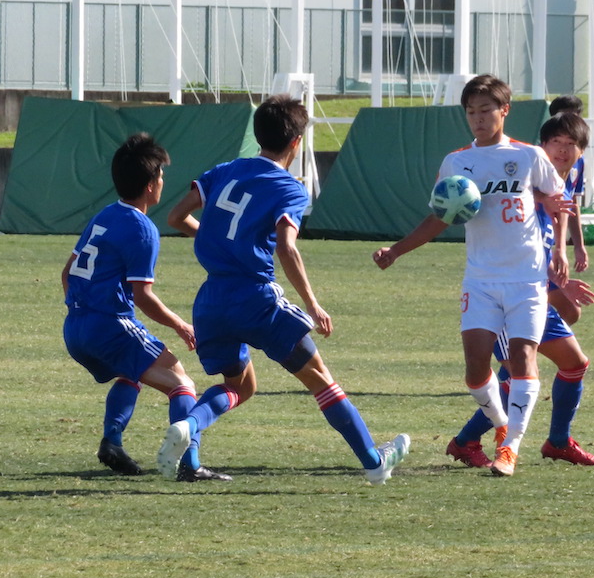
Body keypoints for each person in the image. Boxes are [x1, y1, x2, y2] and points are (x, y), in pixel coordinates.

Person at [162, 94, 410, 485]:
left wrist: (221, 240)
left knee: (239, 385)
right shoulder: (290, 189)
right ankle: (373, 462)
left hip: (211, 302)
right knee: (319, 377)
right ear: (296, 142)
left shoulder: (226, 169)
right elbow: (287, 247)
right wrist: (313, 303)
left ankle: (189, 426)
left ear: (258, 135)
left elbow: (177, 216)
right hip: (255, 298)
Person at [373, 74, 569, 477]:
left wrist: (560, 252)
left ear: (504, 110)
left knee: (522, 358)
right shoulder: (457, 162)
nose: (478, 118)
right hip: (480, 279)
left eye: (485, 110)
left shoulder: (530, 156)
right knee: (476, 369)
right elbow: (439, 218)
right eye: (471, 112)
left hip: (526, 279)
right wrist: (395, 250)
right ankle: (501, 427)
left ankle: (511, 448)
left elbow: (558, 202)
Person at [451, 111, 594, 469]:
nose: (562, 151)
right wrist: (557, 285)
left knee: (572, 364)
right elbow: (515, 249)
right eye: (556, 143)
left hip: (533, 290)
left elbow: (545, 241)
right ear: (541, 146)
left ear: (582, 152)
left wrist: (563, 264)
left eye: (571, 145)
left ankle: (558, 441)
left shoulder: (560, 185)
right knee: (514, 375)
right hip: (507, 293)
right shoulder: (526, 189)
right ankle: (468, 440)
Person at [61, 133, 200, 476]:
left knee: (130, 371)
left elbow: (67, 273)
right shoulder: (142, 229)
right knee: (182, 383)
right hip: (107, 325)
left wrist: (82, 309)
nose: (163, 182)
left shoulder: (105, 215)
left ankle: (112, 443)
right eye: (161, 176)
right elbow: (143, 297)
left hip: (75, 327)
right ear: (151, 185)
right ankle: (189, 466)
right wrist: (181, 325)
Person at [548, 94, 590, 272]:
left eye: (574, 117)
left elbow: (571, 203)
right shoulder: (540, 156)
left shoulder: (578, 160)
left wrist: (578, 245)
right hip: (534, 238)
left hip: (554, 239)